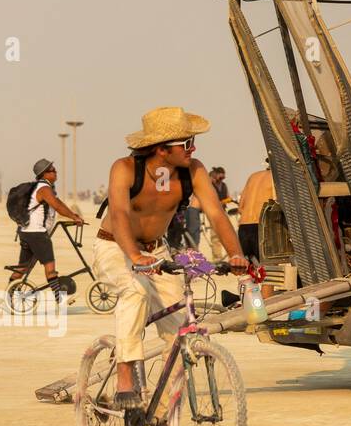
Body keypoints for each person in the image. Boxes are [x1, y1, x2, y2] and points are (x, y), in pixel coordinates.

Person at [94, 107, 248, 408]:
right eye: (186, 143)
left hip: (157, 249)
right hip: (114, 246)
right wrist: (134, 255)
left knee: (178, 329)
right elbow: (121, 214)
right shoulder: (124, 168)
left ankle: (162, 414)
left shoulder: (193, 170)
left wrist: (236, 255)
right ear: (162, 149)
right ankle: (124, 373)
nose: (193, 148)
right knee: (135, 291)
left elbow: (216, 213)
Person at [7, 159, 85, 289]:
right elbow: (57, 206)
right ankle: (59, 298)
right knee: (50, 269)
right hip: (37, 234)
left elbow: (59, 203)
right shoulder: (44, 189)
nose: (55, 172)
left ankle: (9, 295)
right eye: (52, 170)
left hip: (26, 232)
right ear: (44, 174)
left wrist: (73, 215)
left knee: (22, 268)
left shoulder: (43, 188)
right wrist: (74, 217)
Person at [237, 164, 276, 261]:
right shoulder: (275, 178)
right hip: (261, 227)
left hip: (244, 226)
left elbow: (240, 208)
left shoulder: (253, 176)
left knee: (250, 269)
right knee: (266, 269)